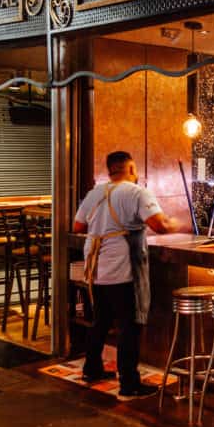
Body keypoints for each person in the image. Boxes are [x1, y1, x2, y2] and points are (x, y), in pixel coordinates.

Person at [74, 151, 180, 397]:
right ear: (131, 169)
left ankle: (92, 369)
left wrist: (105, 226)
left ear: (110, 169)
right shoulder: (137, 192)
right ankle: (130, 383)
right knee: (129, 327)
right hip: (123, 268)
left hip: (97, 270)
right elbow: (160, 225)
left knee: (100, 321)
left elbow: (78, 226)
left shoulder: (95, 193)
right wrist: (177, 223)